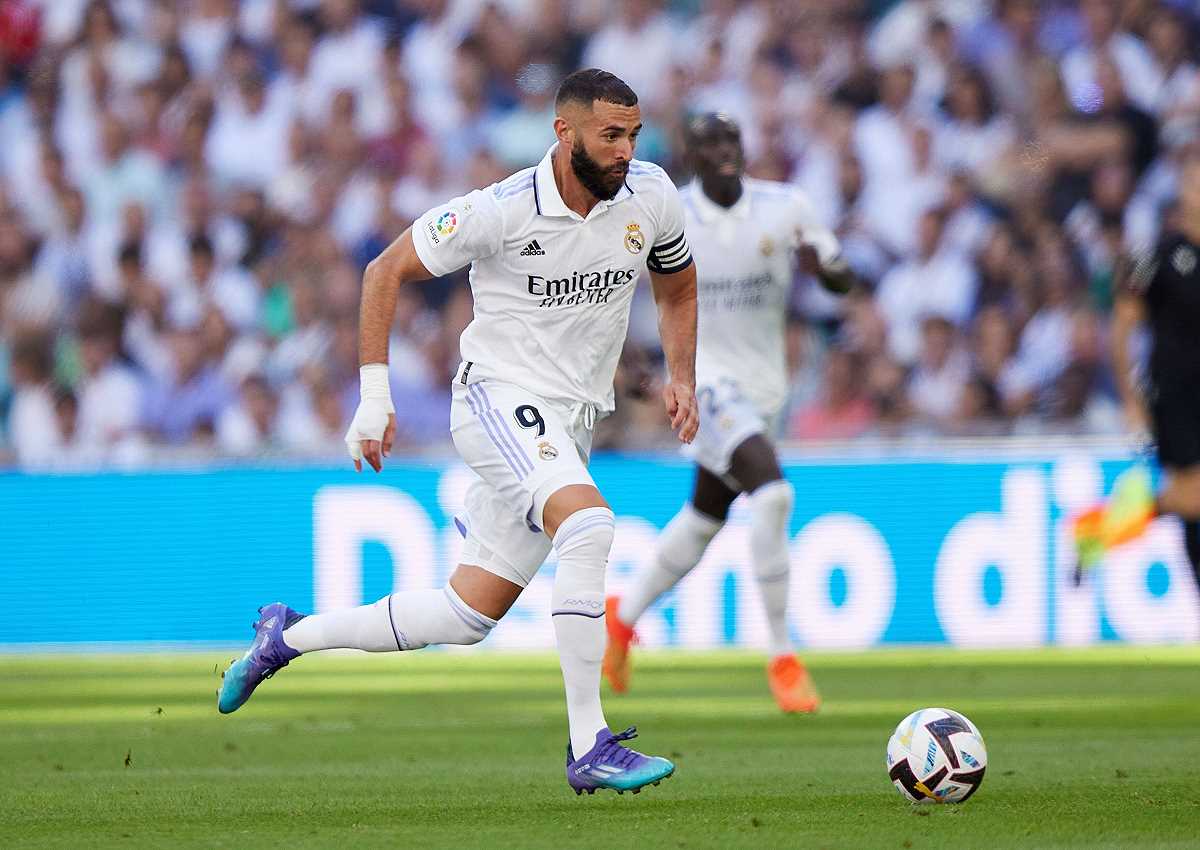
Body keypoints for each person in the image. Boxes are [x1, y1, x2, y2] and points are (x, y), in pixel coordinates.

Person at [218, 69, 700, 796]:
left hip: (570, 421)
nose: (627, 150)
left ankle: (285, 636)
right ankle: (590, 744)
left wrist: (681, 375)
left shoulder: (651, 196)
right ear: (564, 133)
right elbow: (384, 271)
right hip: (496, 399)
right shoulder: (499, 211)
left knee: (467, 614)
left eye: (633, 134)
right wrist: (373, 398)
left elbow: (679, 283)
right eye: (611, 135)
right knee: (590, 525)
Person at [603, 113, 852, 713]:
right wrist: (630, 367)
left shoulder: (785, 207)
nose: (724, 150)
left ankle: (622, 617)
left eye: (732, 139)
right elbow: (610, 286)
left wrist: (826, 271)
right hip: (703, 382)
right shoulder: (669, 215)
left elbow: (843, 279)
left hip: (766, 390)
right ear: (690, 156)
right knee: (773, 495)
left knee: (704, 517)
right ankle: (783, 655)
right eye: (709, 142)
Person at [1074, 152, 1200, 598]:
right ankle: (1098, 530)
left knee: (1192, 509)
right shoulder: (1158, 257)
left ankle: (1101, 530)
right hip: (1176, 396)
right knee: (1194, 495)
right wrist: (1131, 399)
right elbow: (1122, 327)